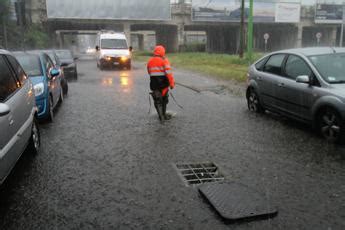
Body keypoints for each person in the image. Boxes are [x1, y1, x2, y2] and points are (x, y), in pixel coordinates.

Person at [147, 45, 175, 122]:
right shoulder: (164, 60)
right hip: (163, 84)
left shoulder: (150, 61)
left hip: (154, 84)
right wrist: (172, 83)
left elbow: (149, 72)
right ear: (163, 52)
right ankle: (164, 115)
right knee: (164, 99)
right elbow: (169, 73)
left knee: (157, 100)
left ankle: (161, 117)